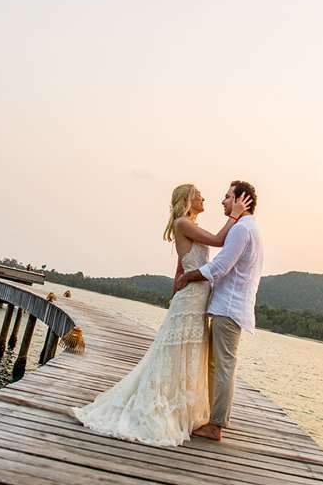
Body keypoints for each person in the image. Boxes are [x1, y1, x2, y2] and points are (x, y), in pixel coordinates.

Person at [71, 183, 251, 446]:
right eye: (198, 194)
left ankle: (182, 407)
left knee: (189, 351)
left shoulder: (188, 225)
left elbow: (184, 259)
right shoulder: (183, 223)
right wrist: (235, 214)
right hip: (192, 297)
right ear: (188, 199)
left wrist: (179, 276)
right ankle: (164, 406)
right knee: (175, 351)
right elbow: (219, 240)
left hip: (197, 296)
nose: (204, 197)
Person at [175, 180, 263, 442]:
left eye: (227, 197)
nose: (222, 201)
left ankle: (216, 425)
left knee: (223, 366)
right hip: (229, 305)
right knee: (218, 364)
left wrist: (188, 277)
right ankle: (215, 418)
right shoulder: (249, 228)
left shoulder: (240, 229)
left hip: (229, 307)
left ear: (240, 200)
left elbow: (220, 266)